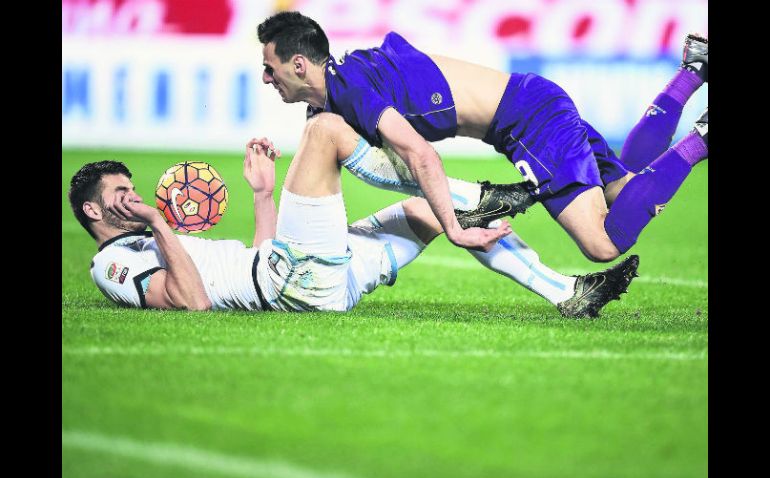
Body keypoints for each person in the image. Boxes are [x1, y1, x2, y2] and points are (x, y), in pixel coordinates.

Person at [68, 113, 638, 316]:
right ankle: (482, 195)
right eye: (120, 195)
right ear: (93, 211)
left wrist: (263, 196)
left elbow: (255, 261)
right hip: (296, 283)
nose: (132, 199)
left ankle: (568, 293)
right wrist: (160, 222)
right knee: (324, 130)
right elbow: (190, 301)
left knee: (427, 210)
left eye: (132, 189)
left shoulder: (145, 239)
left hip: (296, 275)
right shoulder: (113, 264)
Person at [256, 12, 708, 262]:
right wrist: (268, 200)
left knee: (602, 243)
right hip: (529, 105)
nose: (264, 78)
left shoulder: (348, 89)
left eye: (270, 68)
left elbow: (419, 153)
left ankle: (702, 135)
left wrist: (453, 227)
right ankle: (693, 69)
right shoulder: (329, 101)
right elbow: (316, 189)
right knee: (627, 185)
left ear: (299, 65)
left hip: (526, 120)